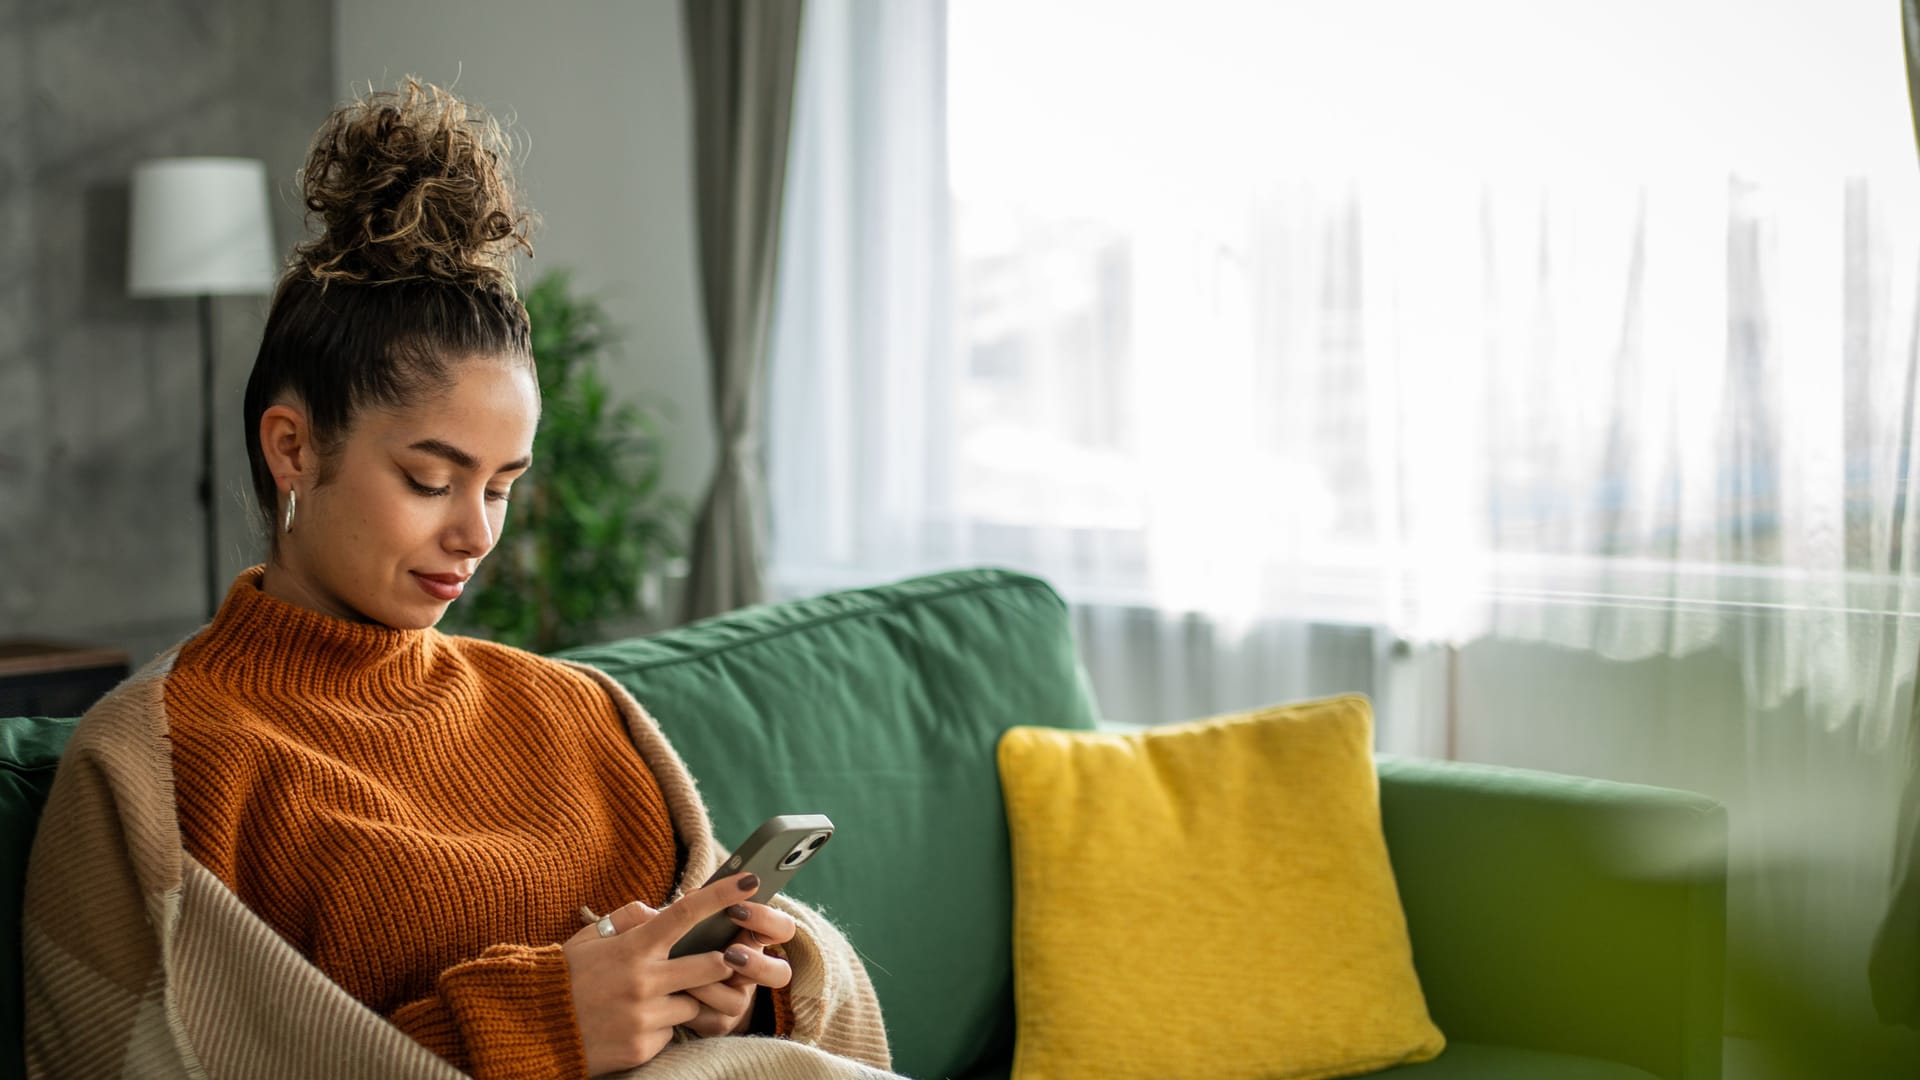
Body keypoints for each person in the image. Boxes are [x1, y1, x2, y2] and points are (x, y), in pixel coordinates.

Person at [22, 78, 892, 1080]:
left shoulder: (583, 715)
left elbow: (801, 1002)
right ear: (294, 448)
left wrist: (745, 987)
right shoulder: (153, 771)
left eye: (504, 486)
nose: (476, 534)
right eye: (430, 480)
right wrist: (538, 1025)